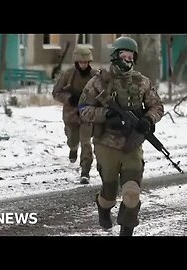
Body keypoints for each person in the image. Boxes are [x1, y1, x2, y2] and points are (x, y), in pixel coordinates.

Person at [78, 37, 164, 236]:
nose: (127, 60)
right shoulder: (98, 82)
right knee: (109, 192)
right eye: (123, 56)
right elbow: (83, 109)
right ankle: (103, 206)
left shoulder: (142, 82)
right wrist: (105, 115)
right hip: (106, 144)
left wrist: (148, 120)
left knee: (132, 193)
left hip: (132, 144)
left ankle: (126, 230)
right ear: (115, 56)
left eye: (130, 56)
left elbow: (157, 106)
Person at [52, 46, 98, 184]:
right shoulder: (67, 75)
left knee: (86, 142)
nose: (83, 65)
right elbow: (56, 93)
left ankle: (85, 171)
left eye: (86, 62)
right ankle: (73, 148)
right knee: (72, 138)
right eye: (81, 62)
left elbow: (102, 93)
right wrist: (69, 98)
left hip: (88, 114)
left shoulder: (95, 76)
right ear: (76, 62)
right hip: (71, 113)